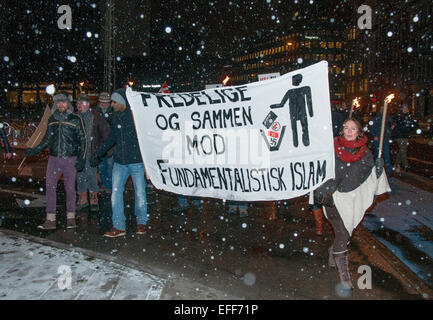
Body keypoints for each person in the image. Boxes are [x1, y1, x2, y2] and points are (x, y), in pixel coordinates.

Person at [313, 118, 388, 291]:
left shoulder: (366, 153)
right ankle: (344, 277)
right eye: (346, 127)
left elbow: (369, 177)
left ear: (358, 132)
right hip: (331, 198)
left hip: (351, 200)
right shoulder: (331, 148)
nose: (348, 131)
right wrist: (323, 188)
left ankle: (333, 253)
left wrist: (378, 169)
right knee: (342, 233)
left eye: (352, 128)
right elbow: (319, 169)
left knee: (345, 232)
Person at [90, 88, 148, 238]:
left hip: (136, 163)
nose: (112, 104)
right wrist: (98, 153)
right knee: (115, 194)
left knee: (140, 193)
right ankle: (118, 226)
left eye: (114, 102)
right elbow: (111, 138)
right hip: (119, 163)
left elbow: (146, 136)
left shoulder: (136, 118)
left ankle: (141, 222)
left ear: (122, 102)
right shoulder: (116, 118)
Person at [25, 93, 86, 230]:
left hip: (70, 159)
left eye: (63, 102)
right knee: (50, 187)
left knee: (70, 189)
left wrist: (82, 158)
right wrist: (34, 150)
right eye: (58, 102)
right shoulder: (52, 119)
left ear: (68, 104)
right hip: (54, 159)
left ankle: (70, 217)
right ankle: (50, 219)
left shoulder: (75, 119)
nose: (61, 105)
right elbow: (46, 139)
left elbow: (83, 140)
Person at [76, 93, 111, 225]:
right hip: (80, 153)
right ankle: (83, 199)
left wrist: (99, 152)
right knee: (80, 175)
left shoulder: (96, 116)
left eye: (82, 103)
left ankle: (93, 198)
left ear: (88, 105)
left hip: (92, 152)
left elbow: (105, 134)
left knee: (91, 174)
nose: (79, 106)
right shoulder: (75, 117)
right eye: (78, 103)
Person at [94, 92, 114, 232]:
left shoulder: (112, 112)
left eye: (106, 101)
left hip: (111, 144)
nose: (104, 103)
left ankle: (110, 186)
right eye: (102, 101)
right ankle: (105, 185)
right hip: (100, 143)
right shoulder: (96, 112)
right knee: (102, 166)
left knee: (110, 165)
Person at [368, 107, 394, 175]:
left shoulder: (388, 118)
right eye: (382, 109)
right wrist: (374, 136)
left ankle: (388, 170)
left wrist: (392, 127)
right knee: (377, 154)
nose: (383, 110)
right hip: (378, 139)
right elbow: (371, 127)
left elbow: (391, 125)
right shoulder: (376, 118)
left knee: (386, 154)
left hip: (385, 139)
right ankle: (375, 169)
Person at [392, 104, 417, 172]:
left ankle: (396, 164)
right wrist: (398, 132)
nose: (405, 109)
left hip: (406, 136)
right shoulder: (398, 116)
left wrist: (411, 130)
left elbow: (413, 125)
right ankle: (406, 165)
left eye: (406, 108)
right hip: (400, 136)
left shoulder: (410, 117)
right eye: (404, 108)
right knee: (403, 150)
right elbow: (394, 126)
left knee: (401, 151)